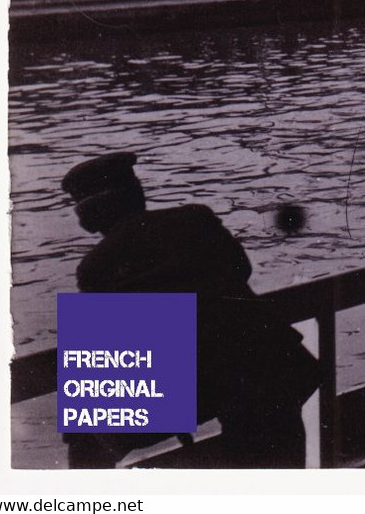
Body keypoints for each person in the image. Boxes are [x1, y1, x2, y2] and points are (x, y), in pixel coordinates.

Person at [60, 152, 318, 468]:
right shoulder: (196, 219)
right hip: (270, 370)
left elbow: (111, 354)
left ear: (89, 217)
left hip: (216, 386)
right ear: (136, 195)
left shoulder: (96, 267)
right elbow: (241, 268)